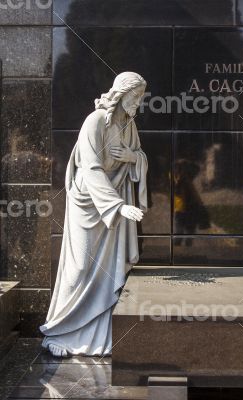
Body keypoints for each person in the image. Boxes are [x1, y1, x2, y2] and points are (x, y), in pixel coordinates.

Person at [40, 72, 148, 357]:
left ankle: (98, 333)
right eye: (134, 96)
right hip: (89, 206)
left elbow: (138, 156)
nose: (138, 102)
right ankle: (60, 333)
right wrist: (118, 206)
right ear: (120, 93)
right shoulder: (96, 121)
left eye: (140, 97)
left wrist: (132, 158)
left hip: (112, 207)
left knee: (107, 273)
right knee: (79, 270)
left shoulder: (129, 125)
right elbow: (90, 168)